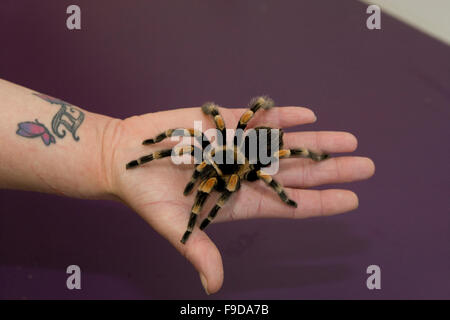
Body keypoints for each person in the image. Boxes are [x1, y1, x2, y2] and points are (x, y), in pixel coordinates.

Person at [0, 79, 375, 294]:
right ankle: (136, 158)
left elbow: (220, 194)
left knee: (255, 174)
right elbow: (193, 134)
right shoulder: (208, 150)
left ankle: (310, 155)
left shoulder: (236, 172)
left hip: (245, 155)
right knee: (183, 143)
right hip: (232, 151)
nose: (201, 172)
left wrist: (203, 215)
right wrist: (112, 150)